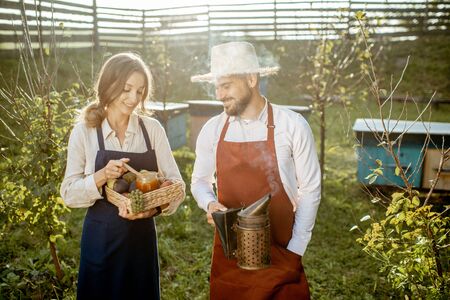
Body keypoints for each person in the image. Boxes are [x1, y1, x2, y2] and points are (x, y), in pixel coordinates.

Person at [190, 41, 321, 299]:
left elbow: (311, 190)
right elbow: (200, 182)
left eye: (226, 85)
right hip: (230, 258)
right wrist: (210, 204)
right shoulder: (213, 130)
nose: (219, 94)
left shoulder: (292, 125)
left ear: (251, 78)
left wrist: (295, 249)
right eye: (217, 86)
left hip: (280, 251)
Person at [60, 52, 185, 300]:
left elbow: (178, 185)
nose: (133, 99)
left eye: (139, 91)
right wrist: (100, 176)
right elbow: (68, 193)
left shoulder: (152, 130)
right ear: (108, 85)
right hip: (100, 243)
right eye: (126, 89)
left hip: (141, 244)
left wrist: (155, 209)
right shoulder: (85, 131)